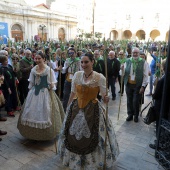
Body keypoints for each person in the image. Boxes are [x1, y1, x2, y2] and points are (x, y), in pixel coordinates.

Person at [57, 52, 119, 170]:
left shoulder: (99, 77)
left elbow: (105, 96)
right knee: (71, 134)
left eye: (86, 62)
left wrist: (106, 98)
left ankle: (92, 162)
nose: (83, 64)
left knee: (94, 136)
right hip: (76, 108)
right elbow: (73, 93)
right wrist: (68, 107)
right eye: (82, 62)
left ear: (92, 62)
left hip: (93, 109)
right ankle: (74, 160)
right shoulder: (77, 75)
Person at [17, 51, 65, 141]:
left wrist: (51, 85)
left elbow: (53, 82)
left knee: (46, 111)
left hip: (45, 93)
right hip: (34, 93)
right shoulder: (33, 69)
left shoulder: (48, 70)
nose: (37, 60)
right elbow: (31, 82)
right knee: (30, 111)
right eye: (36, 58)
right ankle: (32, 134)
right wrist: (30, 92)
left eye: (39, 58)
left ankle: (47, 134)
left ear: (44, 59)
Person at [123, 47, 148, 122]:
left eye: (136, 53)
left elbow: (145, 75)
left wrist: (143, 86)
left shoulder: (143, 62)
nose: (135, 54)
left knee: (135, 101)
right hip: (128, 84)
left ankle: (136, 115)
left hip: (137, 85)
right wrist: (121, 69)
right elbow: (122, 73)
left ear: (139, 54)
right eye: (134, 52)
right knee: (129, 100)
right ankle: (130, 114)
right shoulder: (127, 61)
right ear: (131, 53)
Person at [149, 59, 167, 149]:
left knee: (159, 124)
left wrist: (154, 94)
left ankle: (159, 144)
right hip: (165, 106)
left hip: (160, 106)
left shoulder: (162, 79)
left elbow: (155, 95)